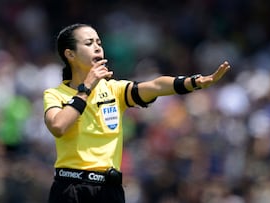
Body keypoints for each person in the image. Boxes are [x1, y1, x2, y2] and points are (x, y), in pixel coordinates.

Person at [43, 23, 231, 203]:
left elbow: (156, 86)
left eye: (99, 43)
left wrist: (195, 82)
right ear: (70, 54)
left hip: (109, 191)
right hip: (71, 189)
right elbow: (58, 126)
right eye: (88, 43)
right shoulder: (56, 95)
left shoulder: (115, 90)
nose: (97, 48)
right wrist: (86, 89)